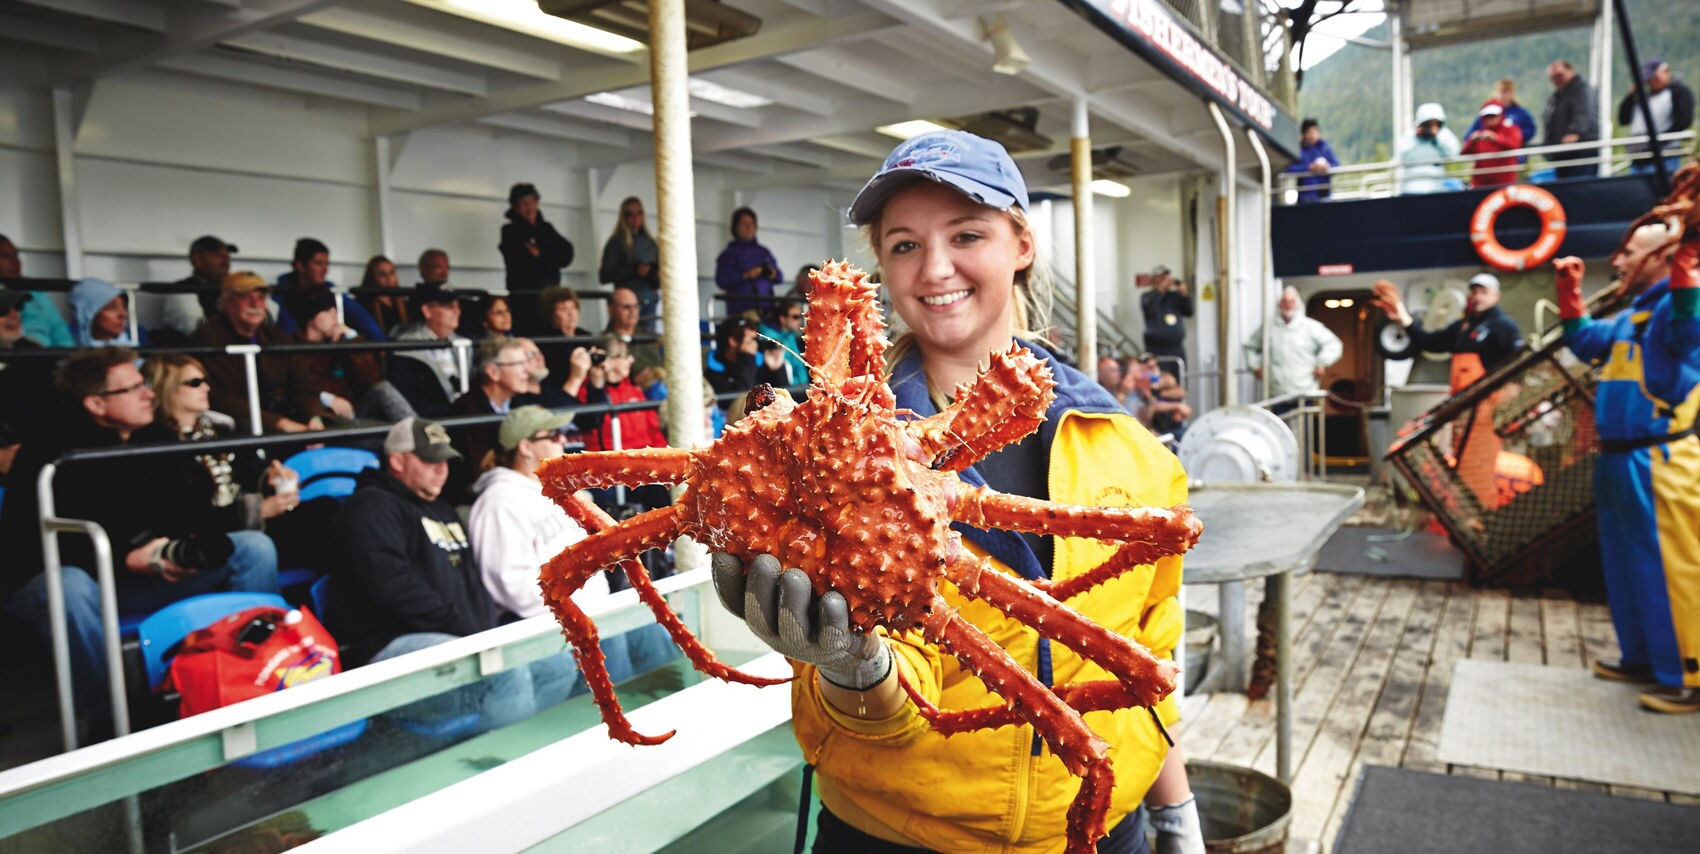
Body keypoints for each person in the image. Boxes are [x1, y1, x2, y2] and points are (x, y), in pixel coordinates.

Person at [710, 129, 1204, 853]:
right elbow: (877, 703)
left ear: (1021, 243)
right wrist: (855, 667)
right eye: (904, 244)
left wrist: (1176, 813)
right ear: (880, 264)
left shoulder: (1128, 445)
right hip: (893, 834)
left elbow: (1146, 659)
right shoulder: (819, 456)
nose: (935, 267)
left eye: (967, 234)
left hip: (1100, 827)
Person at [0, 347, 279, 732]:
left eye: (143, 384)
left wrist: (176, 548)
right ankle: (112, 719)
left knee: (253, 549)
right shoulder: (51, 453)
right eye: (132, 389)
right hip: (87, 583)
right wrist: (124, 557)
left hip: (149, 575)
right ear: (96, 403)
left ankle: (252, 674)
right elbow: (27, 548)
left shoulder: (156, 436)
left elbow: (195, 509)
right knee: (65, 586)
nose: (148, 393)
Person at [324, 416, 575, 730]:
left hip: (458, 635)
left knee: (558, 665)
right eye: (430, 461)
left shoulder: (442, 509)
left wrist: (483, 630)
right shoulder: (369, 508)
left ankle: (509, 742)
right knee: (506, 676)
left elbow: (472, 582)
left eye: (445, 460)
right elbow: (394, 588)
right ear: (397, 461)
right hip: (387, 645)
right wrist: (468, 630)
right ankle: (508, 763)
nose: (441, 468)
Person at [1553, 221, 1700, 714]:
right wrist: (1569, 296)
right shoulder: (1630, 315)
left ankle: (1687, 671)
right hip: (1619, 459)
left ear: (1661, 258)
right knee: (1626, 564)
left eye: (1628, 252)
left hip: (1658, 457)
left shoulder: (1673, 309)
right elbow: (1586, 342)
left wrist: (1688, 270)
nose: (1616, 261)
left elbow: (1688, 331)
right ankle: (1642, 656)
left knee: (1669, 566)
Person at [468, 406, 678, 680]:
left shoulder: (562, 490)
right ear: (525, 447)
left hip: (600, 608)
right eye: (553, 435)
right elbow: (510, 585)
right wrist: (576, 611)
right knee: (618, 657)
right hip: (553, 627)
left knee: (657, 633)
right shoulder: (498, 501)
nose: (562, 441)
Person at [137, 353, 339, 575]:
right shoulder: (159, 443)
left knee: (329, 508)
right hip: (217, 536)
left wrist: (268, 478)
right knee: (321, 532)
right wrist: (258, 511)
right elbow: (187, 516)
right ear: (167, 388)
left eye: (205, 381)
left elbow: (251, 469)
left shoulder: (221, 428)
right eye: (195, 383)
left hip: (252, 519)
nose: (206, 388)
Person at [191, 271, 325, 433]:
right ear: (226, 301)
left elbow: (305, 384)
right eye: (245, 296)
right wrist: (280, 423)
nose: (255, 304)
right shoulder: (208, 339)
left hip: (292, 418)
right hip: (244, 425)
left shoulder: (276, 336)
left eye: (261, 297)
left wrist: (314, 418)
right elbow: (222, 399)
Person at [282, 285, 415, 424]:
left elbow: (373, 378)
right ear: (311, 317)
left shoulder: (340, 340)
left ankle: (422, 433)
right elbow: (297, 387)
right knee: (385, 430)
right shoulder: (292, 345)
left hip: (353, 411)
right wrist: (327, 398)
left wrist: (352, 339)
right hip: (320, 416)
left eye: (335, 311)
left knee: (382, 389)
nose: (334, 316)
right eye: (328, 311)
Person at [1371, 272, 1526, 380]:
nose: (1478, 297)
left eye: (1484, 292)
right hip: (1462, 398)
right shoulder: (1462, 326)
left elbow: (1517, 362)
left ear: (1496, 296)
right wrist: (1404, 318)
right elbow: (1431, 342)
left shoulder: (1504, 326)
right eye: (1475, 292)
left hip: (1490, 396)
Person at [446, 336, 539, 500]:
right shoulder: (467, 412)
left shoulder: (520, 402)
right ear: (493, 372)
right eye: (519, 364)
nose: (528, 371)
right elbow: (475, 477)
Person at [273, 238, 386, 341]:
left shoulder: (331, 290)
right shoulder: (280, 295)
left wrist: (381, 345)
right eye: (318, 263)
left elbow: (362, 318)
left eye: (327, 263)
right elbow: (285, 333)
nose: (325, 269)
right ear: (300, 266)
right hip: (298, 356)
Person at [499, 183, 574, 336]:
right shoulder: (509, 231)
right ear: (515, 206)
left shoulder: (546, 229)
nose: (530, 207)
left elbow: (567, 255)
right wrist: (548, 257)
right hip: (525, 300)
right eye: (524, 203)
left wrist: (541, 254)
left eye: (532, 201)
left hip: (550, 298)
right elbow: (521, 262)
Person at [1245, 287, 1344, 401]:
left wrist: (1321, 363)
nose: (1288, 305)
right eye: (1285, 302)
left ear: (1297, 305)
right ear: (1279, 305)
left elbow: (1334, 345)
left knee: (1304, 418)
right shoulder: (1268, 328)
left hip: (1305, 392)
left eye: (1291, 302)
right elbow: (1250, 347)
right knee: (1279, 419)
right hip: (1277, 393)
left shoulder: (1311, 327)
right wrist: (1254, 366)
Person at [389, 281, 470, 417]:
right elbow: (414, 403)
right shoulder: (406, 347)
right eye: (449, 306)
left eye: (458, 306)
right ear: (427, 311)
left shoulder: (464, 343)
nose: (457, 311)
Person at [1618, 59, 1695, 175]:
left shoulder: (1678, 92)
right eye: (1649, 78)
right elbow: (1623, 119)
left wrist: (1657, 141)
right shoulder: (1642, 97)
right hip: (1638, 157)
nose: (1653, 81)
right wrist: (1631, 95)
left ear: (1666, 71)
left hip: (1664, 156)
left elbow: (1684, 121)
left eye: (1655, 76)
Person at [0, 234, 74, 348]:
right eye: (5, 256)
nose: (15, 261)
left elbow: (62, 336)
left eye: (16, 255)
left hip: (48, 359)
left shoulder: (36, 292)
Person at [158, 235, 236, 338]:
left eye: (227, 256)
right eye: (218, 255)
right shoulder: (181, 290)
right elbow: (194, 331)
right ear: (197, 260)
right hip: (197, 351)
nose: (225, 262)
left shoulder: (235, 288)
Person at [598, 196, 661, 321]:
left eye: (639, 213)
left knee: (649, 340)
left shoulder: (651, 243)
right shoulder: (616, 242)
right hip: (627, 304)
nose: (636, 217)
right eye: (630, 214)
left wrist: (655, 274)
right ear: (624, 217)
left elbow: (656, 281)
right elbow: (604, 276)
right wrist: (634, 270)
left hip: (650, 302)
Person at [714, 206, 784, 317]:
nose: (749, 227)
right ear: (736, 227)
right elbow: (721, 280)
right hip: (743, 310)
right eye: (744, 224)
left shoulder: (764, 252)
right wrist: (745, 275)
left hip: (767, 310)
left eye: (751, 224)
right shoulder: (728, 254)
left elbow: (780, 278)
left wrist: (772, 273)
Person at [703, 315, 787, 402]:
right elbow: (741, 404)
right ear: (733, 341)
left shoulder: (761, 363)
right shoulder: (713, 374)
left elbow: (786, 401)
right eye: (752, 340)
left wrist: (777, 370)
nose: (756, 344)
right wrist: (747, 358)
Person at [536, 285, 594, 406]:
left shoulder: (586, 336)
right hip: (563, 394)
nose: (571, 314)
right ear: (551, 314)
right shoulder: (548, 343)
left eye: (573, 308)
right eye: (563, 309)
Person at [1543, 60, 1601, 179]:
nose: (1556, 79)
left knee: (1580, 188)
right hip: (1563, 153)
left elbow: (1585, 111)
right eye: (1553, 77)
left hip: (1581, 150)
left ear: (1570, 71)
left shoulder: (1581, 87)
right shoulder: (1557, 96)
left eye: (1559, 75)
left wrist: (1575, 132)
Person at [602, 284, 664, 395]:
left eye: (636, 306)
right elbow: (640, 377)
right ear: (611, 309)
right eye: (626, 307)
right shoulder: (604, 341)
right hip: (633, 397)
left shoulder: (649, 335)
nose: (633, 311)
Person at [1463, 79, 1537, 163]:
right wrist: (1478, 138)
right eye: (1501, 91)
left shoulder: (1520, 113)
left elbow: (1530, 130)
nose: (1504, 95)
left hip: (1512, 158)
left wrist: (1514, 136)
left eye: (1507, 92)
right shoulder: (1486, 112)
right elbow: (1468, 136)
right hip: (1488, 159)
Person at [1397, 103, 1462, 195]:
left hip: (1436, 187)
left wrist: (1437, 137)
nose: (1430, 128)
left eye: (1435, 124)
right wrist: (1416, 137)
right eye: (1428, 124)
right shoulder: (1409, 135)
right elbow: (1403, 157)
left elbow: (1453, 155)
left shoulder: (1444, 135)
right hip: (1411, 188)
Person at [68, 278, 149, 348]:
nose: (123, 314)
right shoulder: (68, 357)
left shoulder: (137, 355)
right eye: (111, 307)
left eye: (124, 306)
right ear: (86, 314)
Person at [1461, 101, 1524, 188]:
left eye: (1493, 116)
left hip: (1505, 183)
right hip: (1481, 184)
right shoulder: (1479, 135)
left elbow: (1515, 144)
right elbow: (1464, 153)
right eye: (1487, 117)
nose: (1490, 119)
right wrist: (1471, 142)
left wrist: (1496, 139)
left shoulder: (1511, 130)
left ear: (1501, 115)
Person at [1140, 264, 1191, 369]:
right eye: (1162, 277)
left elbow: (1188, 312)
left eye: (1166, 277)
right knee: (1158, 381)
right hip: (1156, 350)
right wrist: (1161, 290)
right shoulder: (1147, 297)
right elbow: (1151, 310)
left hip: (1176, 348)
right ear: (1154, 279)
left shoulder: (1174, 296)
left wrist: (1185, 294)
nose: (1166, 280)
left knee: (1179, 379)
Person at [1283, 118, 1339, 203]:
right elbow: (1288, 168)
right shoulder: (1299, 150)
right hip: (1305, 197)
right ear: (1304, 134)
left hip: (1324, 196)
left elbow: (1336, 165)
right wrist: (1309, 168)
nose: (1312, 135)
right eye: (1309, 132)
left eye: (1314, 132)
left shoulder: (1325, 148)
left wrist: (1327, 167)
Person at [757, 296, 809, 386]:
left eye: (800, 316)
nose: (799, 321)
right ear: (782, 318)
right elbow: (782, 368)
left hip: (800, 386)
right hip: (787, 387)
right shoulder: (769, 337)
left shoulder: (790, 334)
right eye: (795, 317)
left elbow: (798, 363)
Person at [356, 254, 409, 337]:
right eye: (382, 274)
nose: (389, 278)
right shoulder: (364, 304)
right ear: (372, 277)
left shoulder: (403, 302)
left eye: (391, 273)